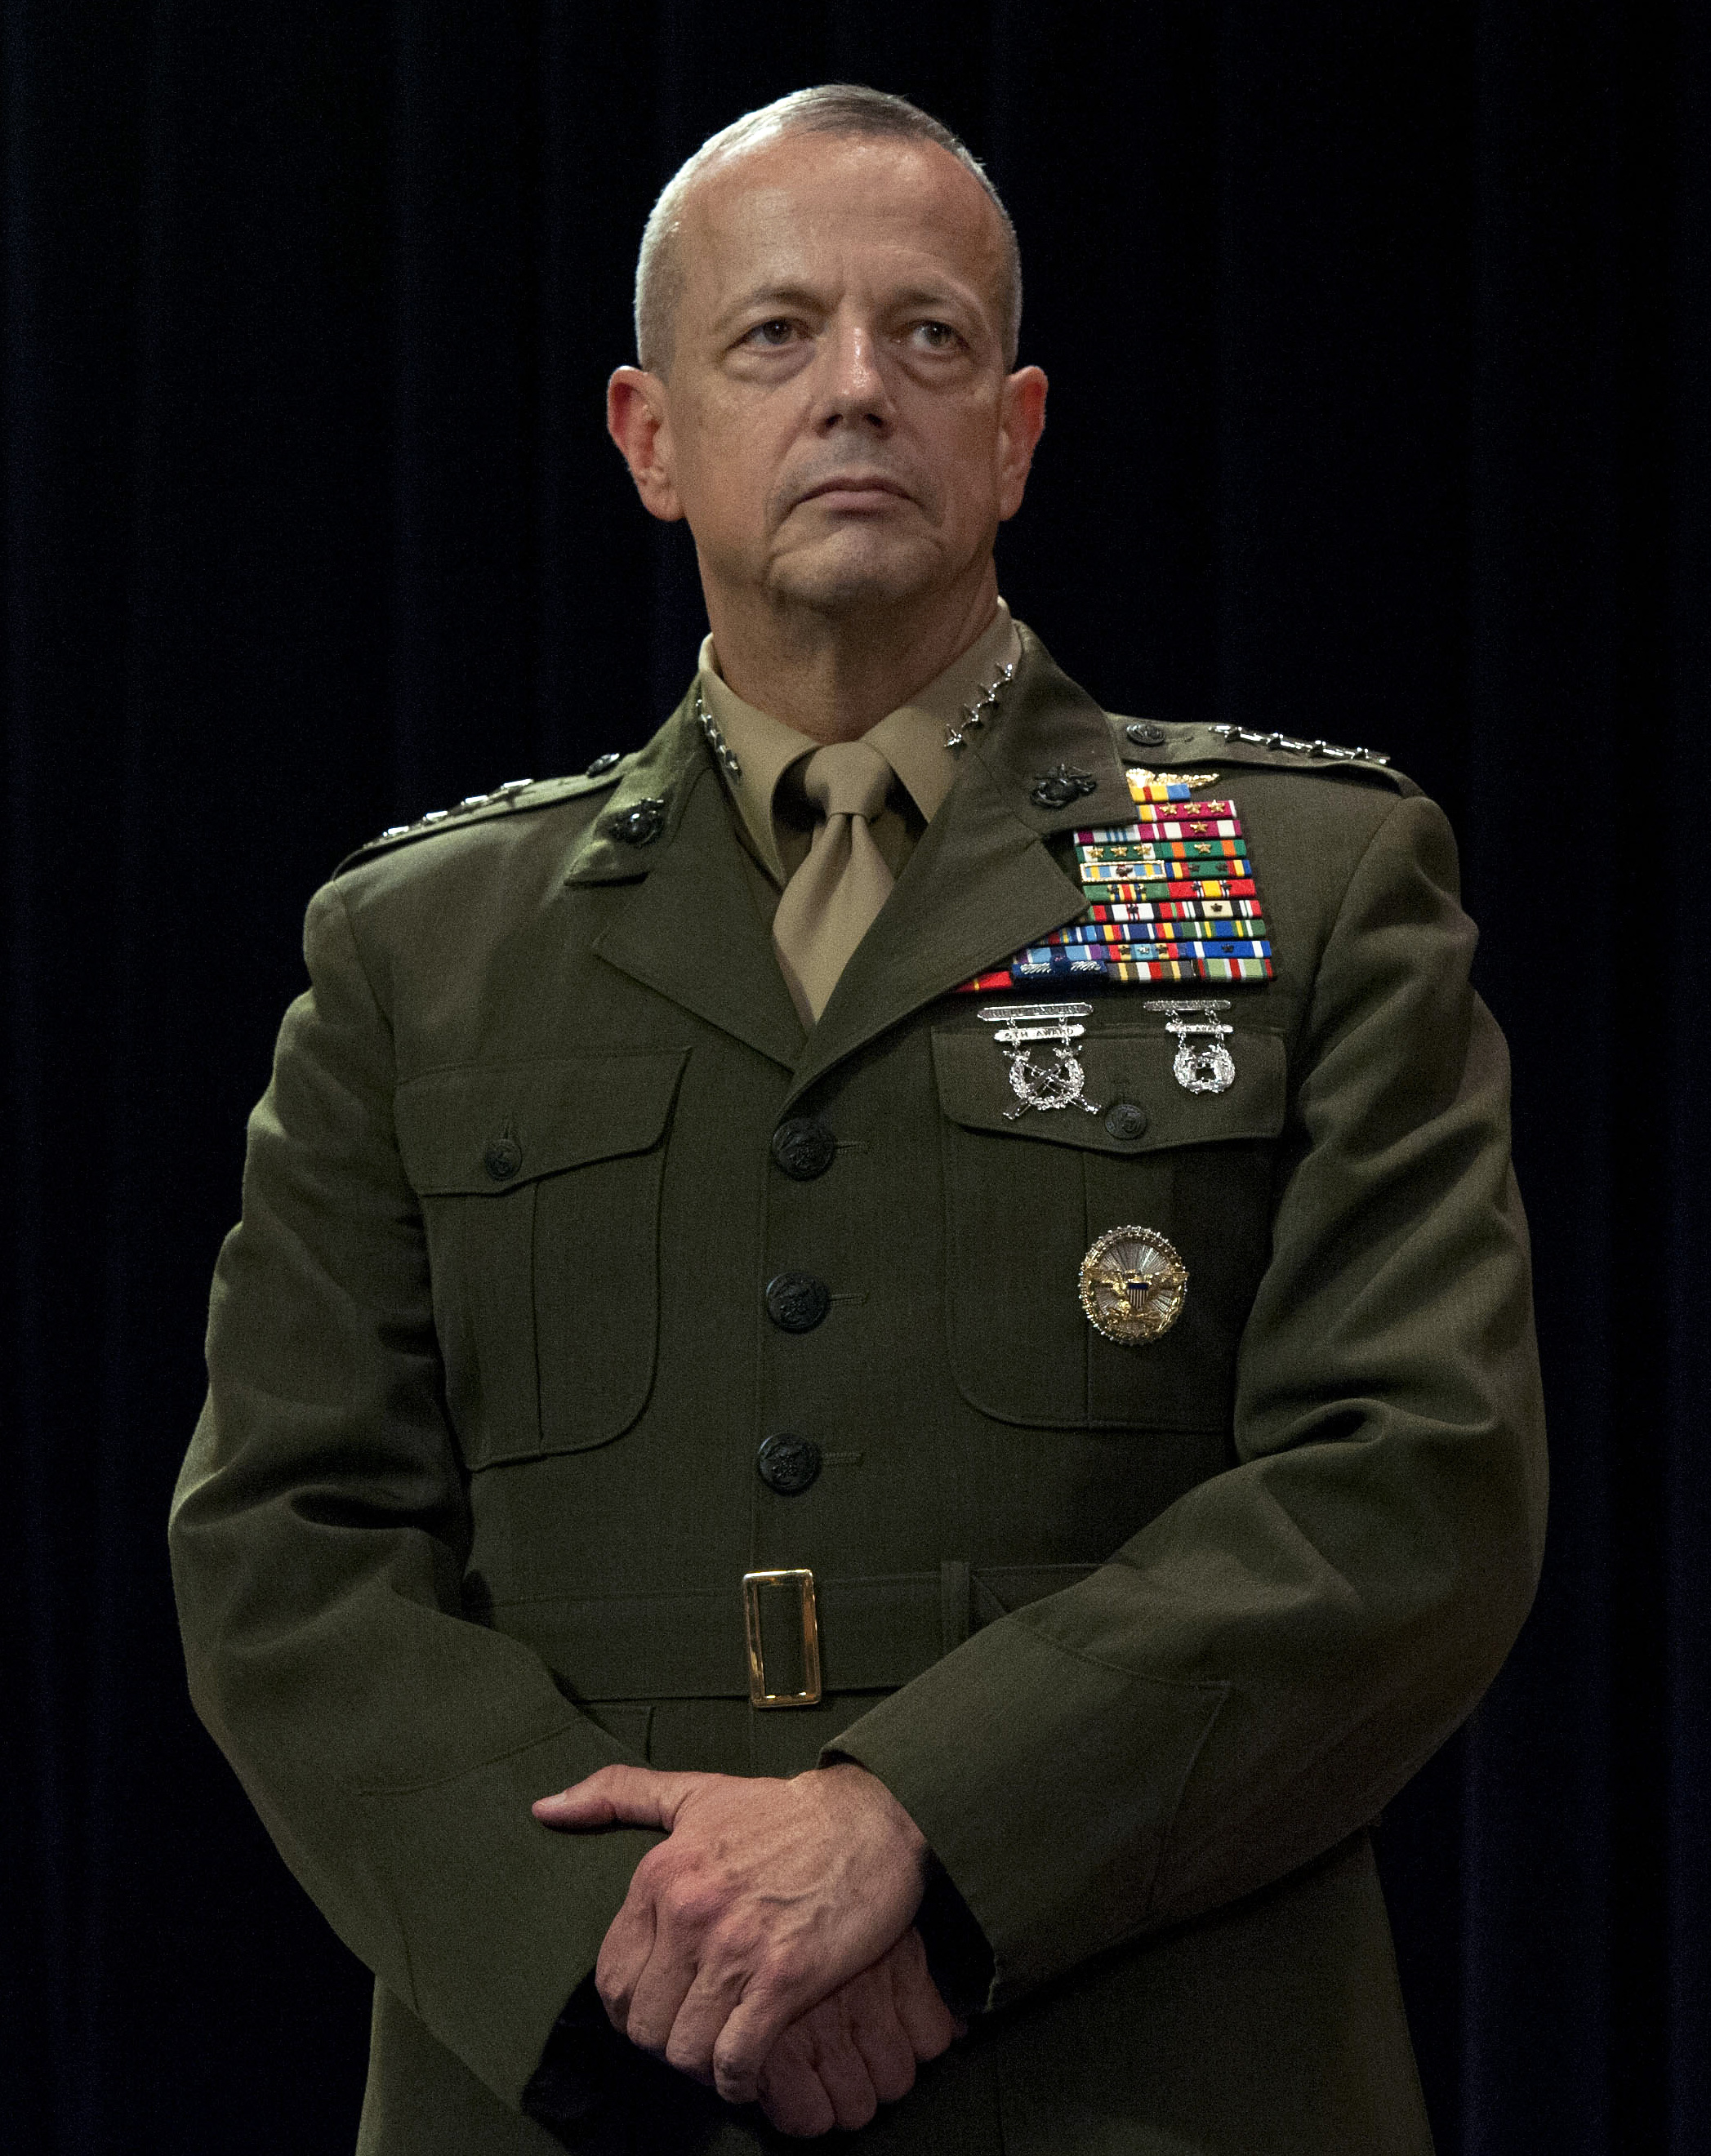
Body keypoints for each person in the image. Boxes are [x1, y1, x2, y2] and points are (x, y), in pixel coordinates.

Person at [168, 83, 1544, 2154]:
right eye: (776, 334)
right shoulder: (420, 946)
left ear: (1017, 432)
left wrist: (925, 1839)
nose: (857, 392)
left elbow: (1413, 1487)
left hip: (1144, 2070)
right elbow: (285, 1546)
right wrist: (621, 1942)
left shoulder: (1297, 875)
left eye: (930, 339)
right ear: (650, 437)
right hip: (582, 2086)